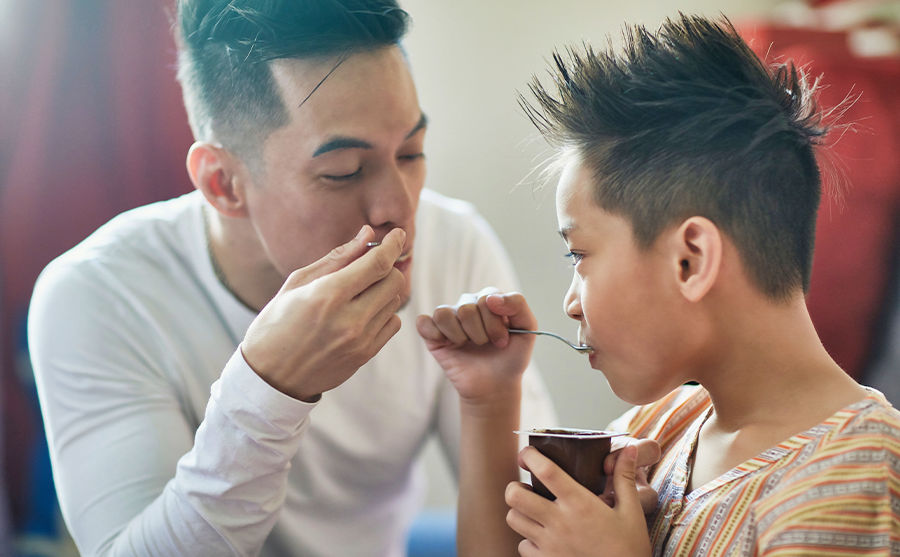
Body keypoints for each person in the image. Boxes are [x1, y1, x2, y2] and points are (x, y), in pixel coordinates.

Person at [27, 1, 556, 556]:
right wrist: (268, 389)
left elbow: (533, 540)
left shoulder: (455, 245)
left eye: (412, 152)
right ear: (223, 182)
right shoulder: (97, 294)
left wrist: (491, 405)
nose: (399, 206)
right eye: (343, 172)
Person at [416, 13, 900, 556]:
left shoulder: (851, 476)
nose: (570, 303)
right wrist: (490, 399)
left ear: (690, 261)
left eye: (580, 255)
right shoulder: (663, 429)